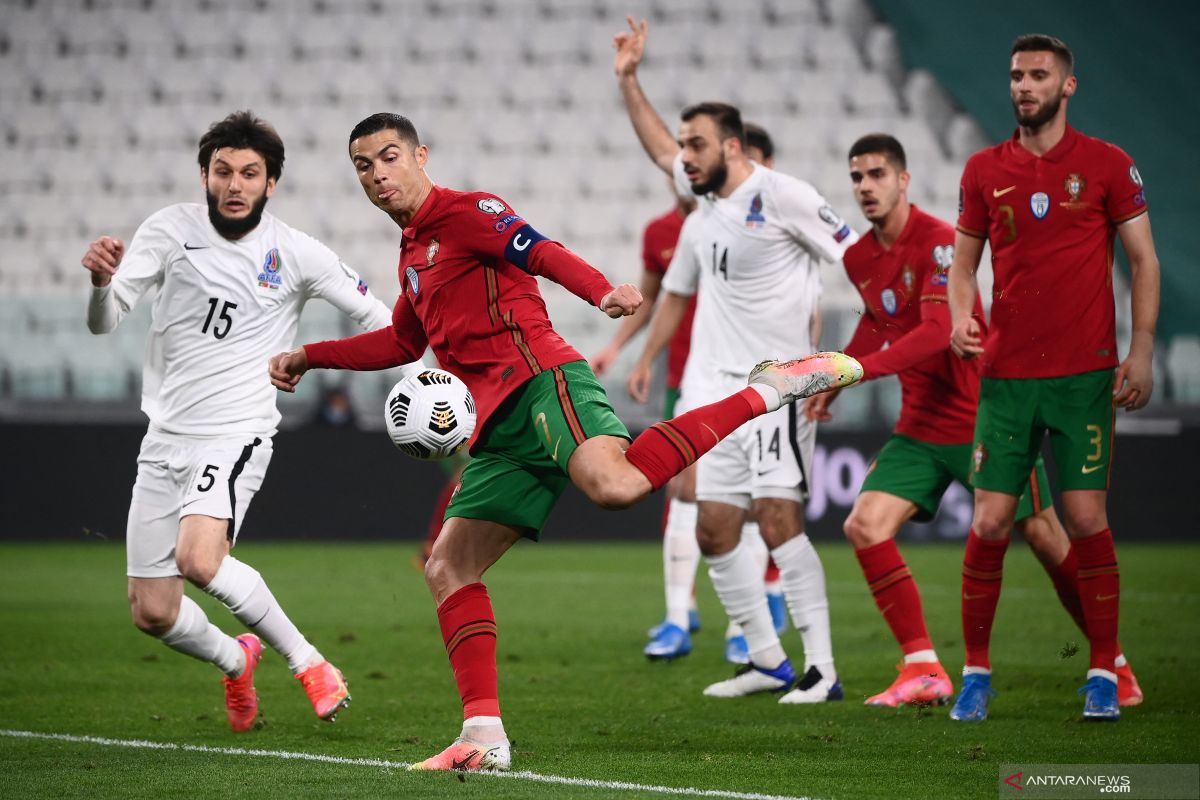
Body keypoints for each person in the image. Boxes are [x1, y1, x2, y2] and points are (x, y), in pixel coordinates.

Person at [267, 112, 861, 771]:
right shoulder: (411, 255)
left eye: (387, 158)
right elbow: (404, 343)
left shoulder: (469, 212)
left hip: (544, 383)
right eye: (362, 166)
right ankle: (484, 737)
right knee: (448, 565)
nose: (377, 175)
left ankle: (769, 390)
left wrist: (600, 289)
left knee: (617, 487)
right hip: (497, 430)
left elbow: (537, 249)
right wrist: (311, 356)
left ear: (419, 156)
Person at [81, 111, 406, 732]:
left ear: (270, 183)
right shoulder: (169, 230)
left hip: (236, 432)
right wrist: (101, 282)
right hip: (165, 437)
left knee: (200, 559)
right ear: (205, 175)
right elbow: (105, 319)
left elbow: (381, 319)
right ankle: (236, 659)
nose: (235, 184)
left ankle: (310, 661)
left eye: (250, 174)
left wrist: (424, 375)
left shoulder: (296, 252)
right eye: (223, 171)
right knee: (152, 611)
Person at [805, 133, 1142, 710]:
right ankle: (923, 668)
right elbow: (883, 325)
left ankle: (1113, 665)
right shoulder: (860, 258)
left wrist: (860, 370)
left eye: (878, 174)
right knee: (864, 526)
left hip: (979, 416)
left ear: (903, 179)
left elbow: (938, 331)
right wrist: (838, 373)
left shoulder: (940, 244)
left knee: (1042, 535)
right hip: (919, 426)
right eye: (857, 177)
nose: (865, 187)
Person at [614, 17, 857, 704]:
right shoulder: (702, 213)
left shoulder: (785, 196)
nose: (683, 157)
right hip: (705, 395)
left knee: (779, 523)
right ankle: (767, 660)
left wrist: (847, 361)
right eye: (683, 145)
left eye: (696, 146)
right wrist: (630, 79)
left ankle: (824, 670)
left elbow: (860, 262)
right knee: (715, 527)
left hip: (774, 390)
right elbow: (675, 295)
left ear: (732, 146)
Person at [947, 34, 1160, 722]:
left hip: (1084, 375)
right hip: (1007, 376)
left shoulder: (1107, 166)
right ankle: (975, 673)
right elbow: (961, 265)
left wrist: (1143, 348)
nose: (1024, 85)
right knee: (990, 520)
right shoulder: (983, 168)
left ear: (1068, 86)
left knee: (1086, 517)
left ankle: (1104, 673)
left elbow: (1144, 260)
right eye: (1016, 75)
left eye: (1039, 75)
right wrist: (959, 317)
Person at [591, 123, 789, 664]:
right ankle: (679, 617)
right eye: (676, 162)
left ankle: (742, 623)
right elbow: (656, 299)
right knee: (683, 490)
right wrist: (631, 353)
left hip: (751, 377)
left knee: (740, 499)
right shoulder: (662, 231)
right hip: (689, 377)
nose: (682, 170)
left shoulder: (754, 222)